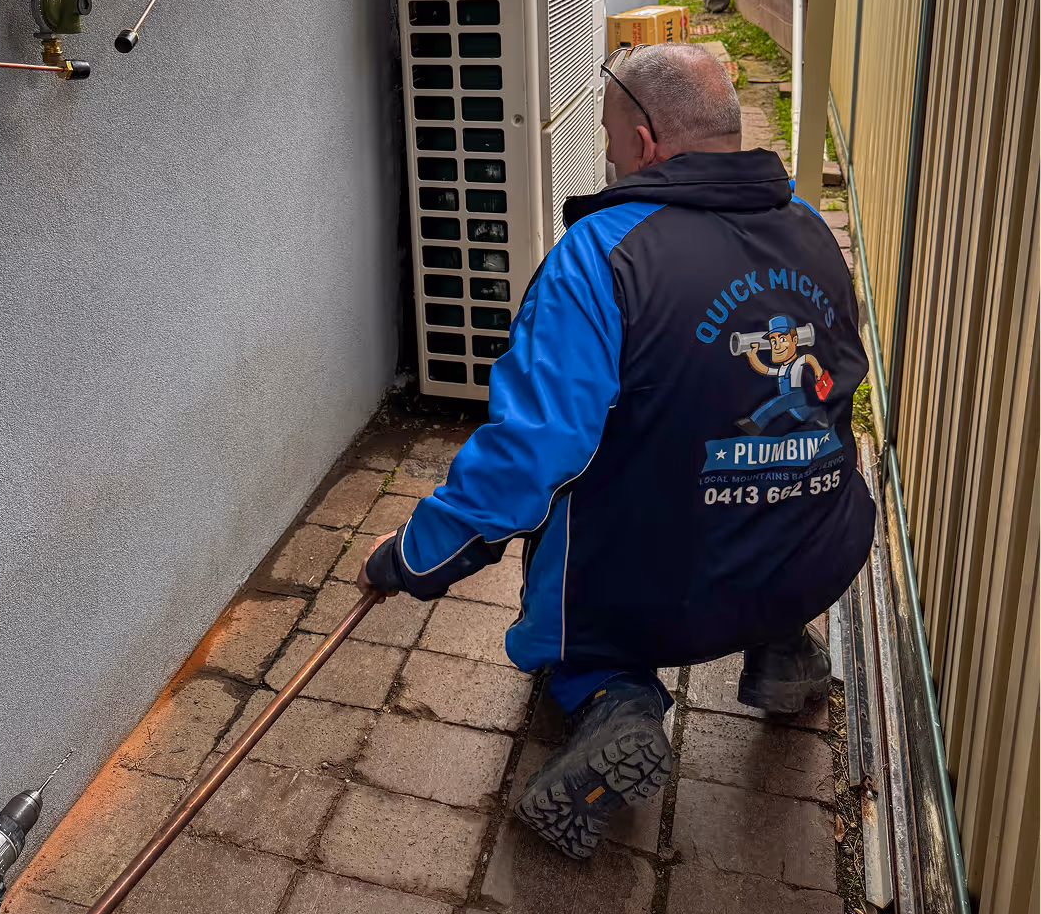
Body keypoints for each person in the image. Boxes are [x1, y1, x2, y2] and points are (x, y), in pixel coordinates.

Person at [360, 43, 874, 860]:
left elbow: (530, 455)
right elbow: (838, 388)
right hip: (819, 550)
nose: (606, 152)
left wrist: (414, 558)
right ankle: (784, 647)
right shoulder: (812, 228)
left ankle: (613, 697)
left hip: (661, 590)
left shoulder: (599, 257)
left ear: (643, 141)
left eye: (607, 136)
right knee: (777, 468)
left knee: (569, 562)